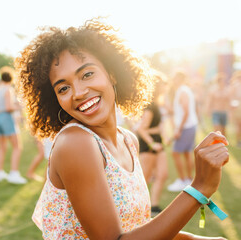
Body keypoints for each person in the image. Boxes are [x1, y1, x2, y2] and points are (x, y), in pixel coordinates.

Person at [14, 19, 228, 240]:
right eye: (63, 88)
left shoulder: (128, 140)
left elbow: (135, 227)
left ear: (112, 73)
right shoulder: (75, 143)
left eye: (87, 74)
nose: (77, 92)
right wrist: (199, 187)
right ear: (55, 98)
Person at [136, 72, 168, 216]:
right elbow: (141, 129)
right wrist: (152, 144)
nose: (165, 87)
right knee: (145, 178)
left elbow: (151, 126)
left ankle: (154, 206)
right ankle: (138, 208)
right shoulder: (150, 106)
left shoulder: (156, 104)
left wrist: (159, 130)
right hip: (149, 144)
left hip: (158, 141)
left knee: (162, 174)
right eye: (162, 84)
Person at [0, 66, 26, 184]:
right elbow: (8, 107)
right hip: (6, 118)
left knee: (2, 147)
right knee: (17, 146)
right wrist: (19, 106)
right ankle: (14, 173)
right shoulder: (8, 89)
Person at [167, 71, 198, 192]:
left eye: (174, 78)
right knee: (186, 153)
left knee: (175, 153)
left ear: (179, 78)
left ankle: (182, 180)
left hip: (185, 127)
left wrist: (178, 130)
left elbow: (186, 111)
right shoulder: (185, 90)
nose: (172, 80)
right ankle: (188, 180)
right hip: (189, 126)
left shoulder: (183, 91)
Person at [206, 73, 230, 137]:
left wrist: (230, 112)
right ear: (218, 82)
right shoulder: (213, 90)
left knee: (223, 130)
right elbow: (209, 101)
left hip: (224, 112)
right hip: (216, 112)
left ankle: (223, 144)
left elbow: (229, 101)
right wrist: (208, 110)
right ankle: (215, 143)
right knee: (216, 129)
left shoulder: (226, 90)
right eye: (222, 81)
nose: (224, 82)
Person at [228, 71, 241, 146]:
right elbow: (231, 97)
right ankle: (238, 141)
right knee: (238, 125)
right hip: (238, 106)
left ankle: (239, 140)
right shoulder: (235, 85)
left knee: (239, 125)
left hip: (238, 106)